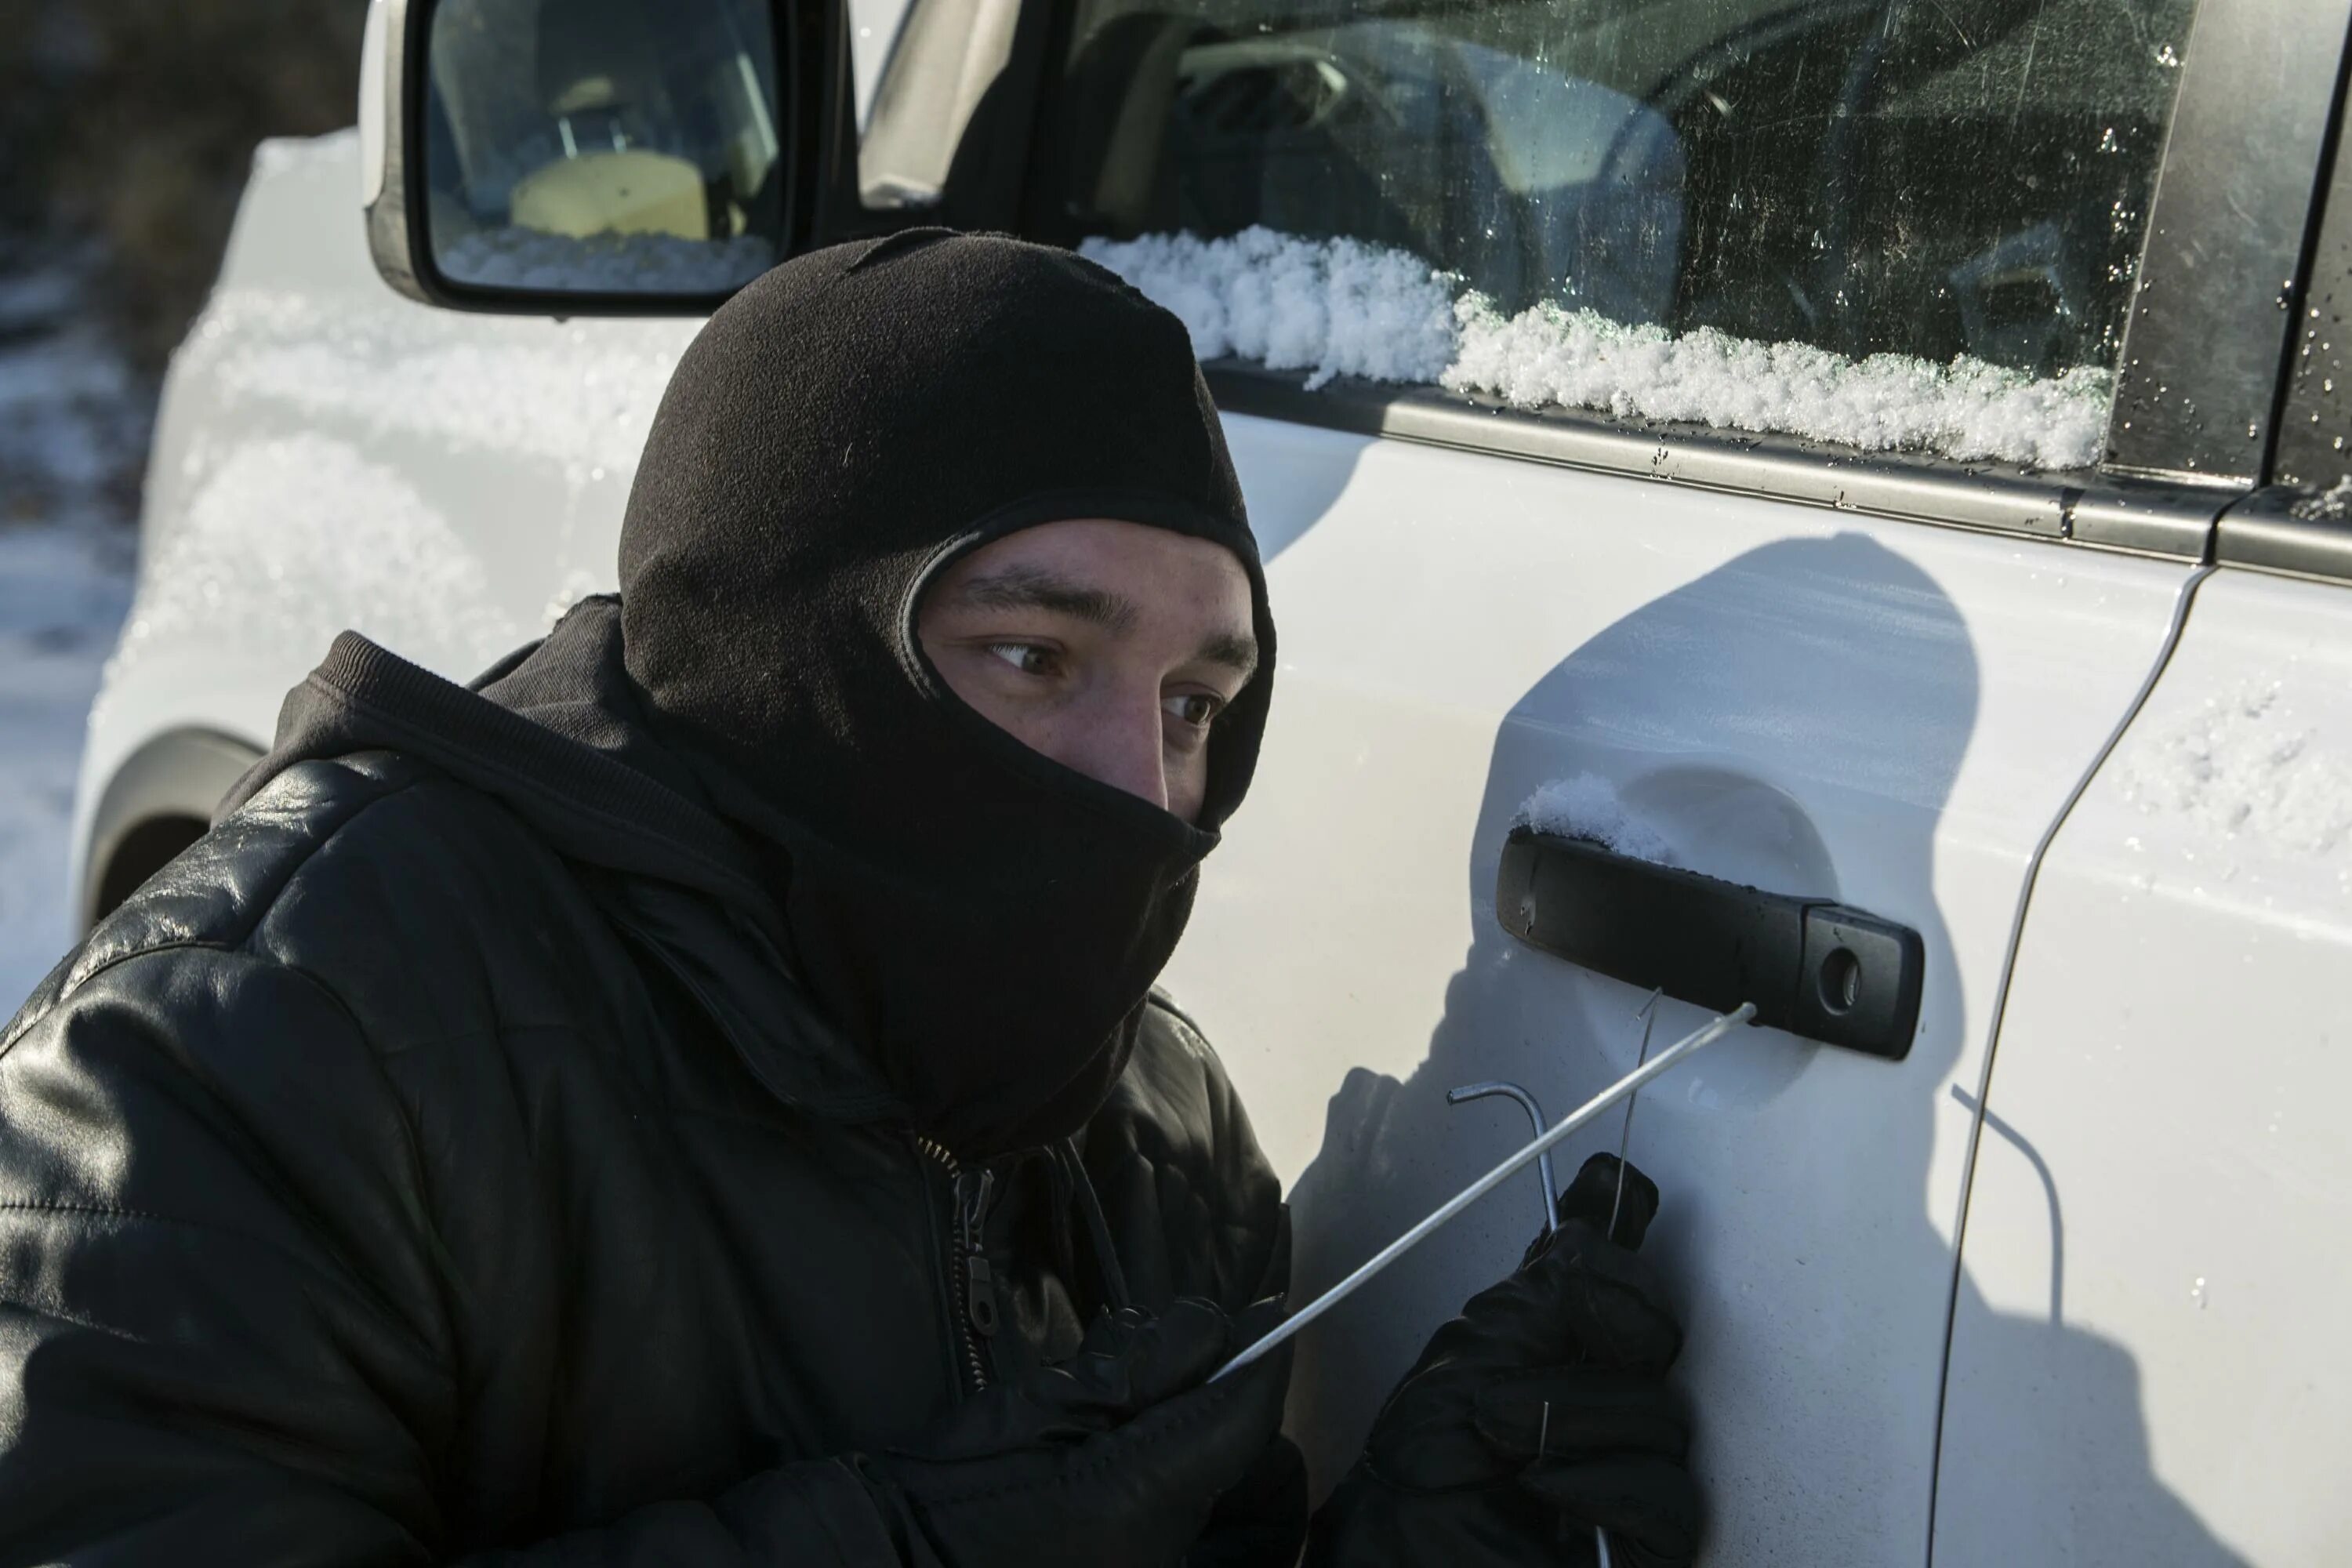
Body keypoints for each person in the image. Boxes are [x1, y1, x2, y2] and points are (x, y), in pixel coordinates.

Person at [0, 232, 1697, 1566]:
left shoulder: (1156, 1136)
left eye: (1195, 703)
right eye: (1035, 655)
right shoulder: (258, 1056)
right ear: (780, 652)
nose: (1137, 788)